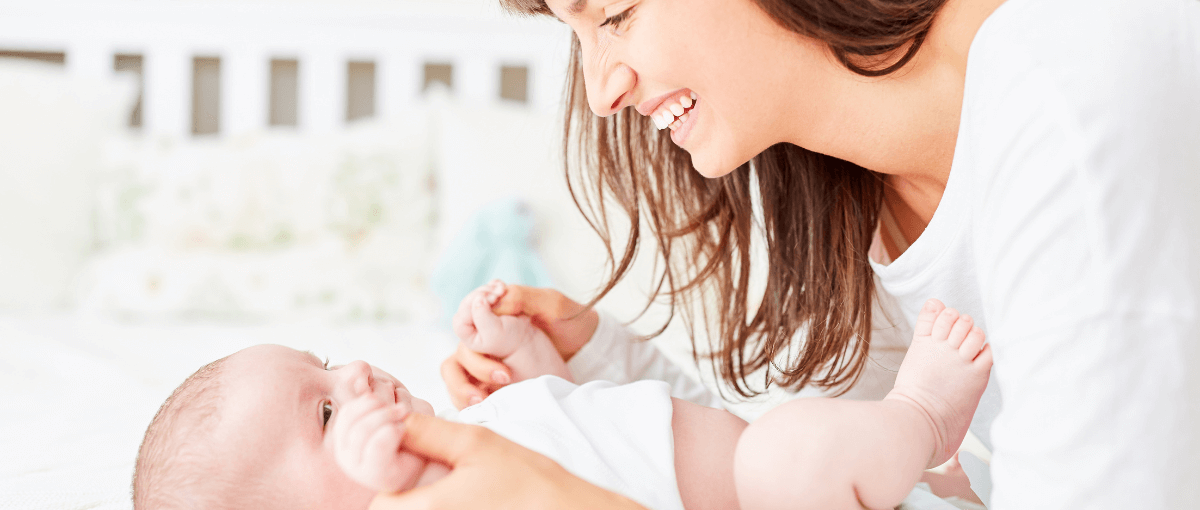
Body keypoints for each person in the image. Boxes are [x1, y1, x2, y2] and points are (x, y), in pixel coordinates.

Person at [378, 0, 1200, 507]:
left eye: (617, 12)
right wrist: (594, 389)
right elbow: (813, 476)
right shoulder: (843, 190)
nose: (601, 91)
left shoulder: (1067, 101)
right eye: (576, 34)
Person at [131, 280, 990, 510]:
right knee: (789, 448)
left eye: (325, 362)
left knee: (798, 436)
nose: (351, 375)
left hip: (811, 476)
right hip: (772, 490)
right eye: (324, 414)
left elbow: (583, 424)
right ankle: (921, 417)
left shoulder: (478, 436)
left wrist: (533, 354)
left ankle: (928, 466)